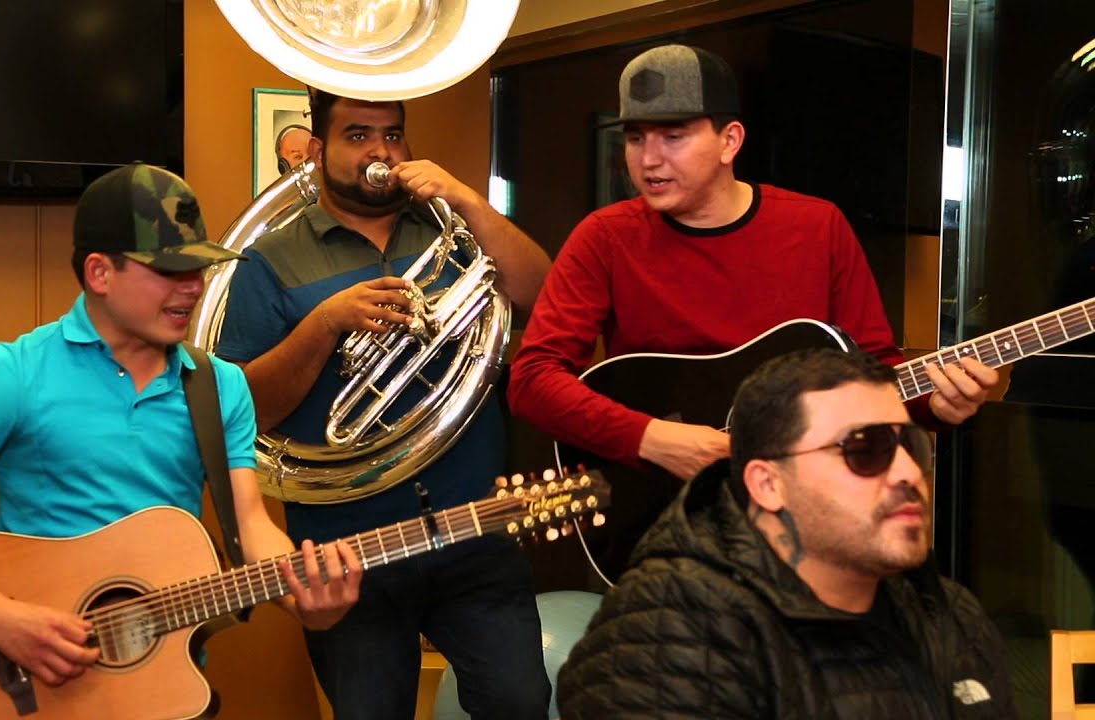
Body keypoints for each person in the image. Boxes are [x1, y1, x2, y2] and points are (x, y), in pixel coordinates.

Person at [0, 162, 362, 688]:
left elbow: (252, 527)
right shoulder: (20, 372)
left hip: (162, 681)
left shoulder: (220, 387)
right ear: (100, 273)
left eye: (199, 268)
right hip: (30, 685)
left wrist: (311, 600)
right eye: (170, 270)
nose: (193, 287)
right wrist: (0, 620)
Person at [508, 44, 999, 488]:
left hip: (799, 503)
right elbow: (533, 379)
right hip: (664, 513)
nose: (648, 160)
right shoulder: (605, 236)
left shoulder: (817, 226)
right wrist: (653, 439)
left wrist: (935, 406)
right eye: (636, 139)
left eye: (673, 136)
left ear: (730, 141)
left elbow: (873, 372)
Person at [215, 89, 554, 719]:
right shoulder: (267, 262)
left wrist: (470, 200)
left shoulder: (454, 231)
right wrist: (324, 325)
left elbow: (547, 298)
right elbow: (246, 410)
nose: (380, 151)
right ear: (318, 150)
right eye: (358, 135)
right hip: (349, 550)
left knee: (522, 703)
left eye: (393, 135)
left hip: (473, 527)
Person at [557, 348, 1019, 718]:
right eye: (864, 450)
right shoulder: (670, 629)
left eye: (910, 445)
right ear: (768, 484)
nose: (907, 474)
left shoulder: (948, 611)